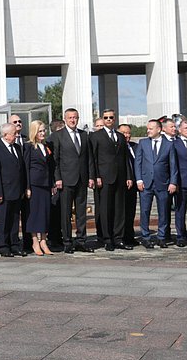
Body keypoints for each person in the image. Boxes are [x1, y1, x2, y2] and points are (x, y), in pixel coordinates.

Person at [89, 109, 133, 251]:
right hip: (104, 178)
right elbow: (93, 158)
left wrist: (128, 176)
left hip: (120, 178)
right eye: (106, 117)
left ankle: (118, 238)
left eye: (111, 117)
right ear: (103, 119)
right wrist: (96, 176)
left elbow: (125, 158)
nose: (108, 120)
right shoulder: (96, 136)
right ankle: (107, 239)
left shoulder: (120, 136)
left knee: (119, 209)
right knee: (106, 209)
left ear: (115, 119)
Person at [51, 108, 93, 254]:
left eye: (75, 117)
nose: (73, 120)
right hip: (66, 180)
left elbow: (89, 158)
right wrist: (58, 178)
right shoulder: (58, 136)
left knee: (81, 212)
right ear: (65, 119)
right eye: (70, 118)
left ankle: (81, 240)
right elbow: (55, 160)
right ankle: (67, 241)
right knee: (66, 213)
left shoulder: (84, 135)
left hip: (82, 179)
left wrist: (91, 177)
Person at [134, 119, 179, 249]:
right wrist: (139, 180)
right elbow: (138, 163)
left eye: (150, 128)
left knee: (163, 211)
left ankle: (161, 237)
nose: (148, 131)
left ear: (159, 129)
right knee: (145, 211)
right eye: (147, 128)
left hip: (163, 183)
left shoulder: (169, 144)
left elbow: (173, 165)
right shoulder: (143, 143)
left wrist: (173, 182)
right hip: (145, 183)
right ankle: (146, 237)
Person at [0, 122, 27, 257]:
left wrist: (22, 189)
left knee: (15, 219)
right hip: (3, 192)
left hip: (16, 191)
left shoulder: (17, 147)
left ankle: (14, 244)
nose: (16, 136)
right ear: (5, 135)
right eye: (14, 133)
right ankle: (3, 245)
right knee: (3, 220)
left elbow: (20, 170)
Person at [24, 120, 55, 256]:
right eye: (40, 131)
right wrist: (28, 187)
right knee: (35, 214)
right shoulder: (29, 147)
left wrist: (53, 183)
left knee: (45, 213)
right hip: (35, 184)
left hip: (46, 184)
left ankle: (44, 240)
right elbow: (26, 168)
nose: (43, 133)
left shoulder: (47, 146)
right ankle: (35, 241)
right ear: (34, 132)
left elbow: (51, 166)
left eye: (44, 130)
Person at [118, 123, 139, 247]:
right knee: (122, 213)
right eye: (123, 133)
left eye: (128, 133)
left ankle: (129, 235)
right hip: (122, 185)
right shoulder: (117, 147)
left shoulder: (135, 147)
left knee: (131, 212)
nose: (126, 135)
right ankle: (121, 236)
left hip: (134, 185)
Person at [46, 119, 65, 250]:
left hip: (61, 180)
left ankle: (56, 237)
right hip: (55, 181)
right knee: (56, 211)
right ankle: (54, 238)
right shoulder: (52, 141)